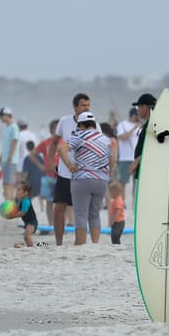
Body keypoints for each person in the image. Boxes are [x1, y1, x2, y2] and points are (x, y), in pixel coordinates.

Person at [63, 111, 114, 245]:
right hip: (101, 180)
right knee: (95, 213)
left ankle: (81, 244)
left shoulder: (78, 136)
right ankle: (95, 244)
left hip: (82, 178)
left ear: (81, 125)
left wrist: (69, 165)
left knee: (80, 214)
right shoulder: (106, 139)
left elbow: (61, 149)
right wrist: (109, 173)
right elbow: (112, 158)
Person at [51, 93, 90, 246]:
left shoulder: (93, 123)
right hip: (64, 174)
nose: (86, 107)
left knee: (80, 211)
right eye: (83, 105)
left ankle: (78, 243)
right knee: (58, 209)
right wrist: (49, 163)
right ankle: (58, 243)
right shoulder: (64, 121)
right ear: (75, 107)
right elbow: (54, 143)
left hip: (83, 174)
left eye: (88, 105)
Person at [0, 107, 19, 201]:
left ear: (8, 116)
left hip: (10, 161)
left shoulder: (14, 127)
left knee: (9, 183)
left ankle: (10, 204)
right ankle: (9, 202)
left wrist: (10, 158)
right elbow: (4, 148)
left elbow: (14, 142)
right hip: (5, 160)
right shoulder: (6, 129)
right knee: (5, 183)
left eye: (2, 116)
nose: (0, 118)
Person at [4, 176, 38, 248]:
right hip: (27, 222)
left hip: (32, 222)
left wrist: (12, 216)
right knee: (26, 237)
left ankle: (32, 247)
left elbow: (22, 213)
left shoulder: (26, 201)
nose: (17, 192)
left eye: (19, 190)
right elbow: (16, 209)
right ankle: (29, 246)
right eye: (17, 190)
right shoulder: (21, 200)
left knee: (27, 236)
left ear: (25, 193)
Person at [115, 108, 140, 187]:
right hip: (125, 158)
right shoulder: (122, 124)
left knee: (137, 183)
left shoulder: (140, 126)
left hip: (136, 158)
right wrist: (133, 128)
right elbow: (122, 137)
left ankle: (134, 199)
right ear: (134, 115)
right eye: (138, 115)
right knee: (123, 183)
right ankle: (122, 199)